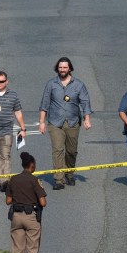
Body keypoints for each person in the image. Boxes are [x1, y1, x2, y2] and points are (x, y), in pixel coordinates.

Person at [39, 57, 92, 190]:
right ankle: (59, 179)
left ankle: (69, 173)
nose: (62, 70)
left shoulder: (78, 85)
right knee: (57, 150)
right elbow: (44, 104)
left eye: (65, 67)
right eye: (60, 67)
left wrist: (87, 119)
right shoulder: (51, 84)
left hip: (73, 122)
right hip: (55, 123)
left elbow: (85, 102)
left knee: (71, 151)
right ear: (57, 68)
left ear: (70, 69)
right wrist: (41, 122)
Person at [6, 152, 47, 253]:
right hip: (31, 217)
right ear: (32, 166)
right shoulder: (34, 180)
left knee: (17, 249)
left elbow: (8, 200)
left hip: (16, 217)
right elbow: (43, 203)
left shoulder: (13, 179)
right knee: (32, 249)